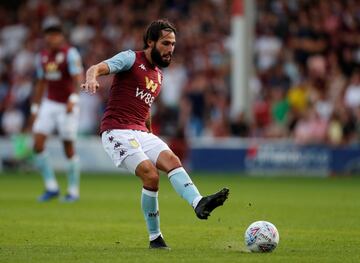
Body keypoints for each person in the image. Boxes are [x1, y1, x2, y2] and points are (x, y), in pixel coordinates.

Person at [81, 19, 229, 249]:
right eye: (165, 43)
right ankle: (155, 238)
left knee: (172, 160)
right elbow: (96, 68)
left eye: (173, 44)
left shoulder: (159, 75)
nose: (170, 49)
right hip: (116, 130)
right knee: (151, 176)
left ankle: (198, 202)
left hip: (140, 130)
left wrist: (149, 133)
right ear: (150, 42)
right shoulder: (131, 58)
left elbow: (144, 106)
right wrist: (92, 78)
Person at [29, 18, 84, 202]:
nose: (51, 38)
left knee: (68, 146)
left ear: (61, 37)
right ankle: (51, 187)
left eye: (55, 35)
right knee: (37, 144)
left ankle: (73, 190)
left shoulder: (70, 54)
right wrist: (35, 107)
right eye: (49, 35)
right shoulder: (42, 56)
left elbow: (77, 78)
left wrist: (74, 98)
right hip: (49, 103)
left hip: (67, 105)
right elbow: (41, 82)